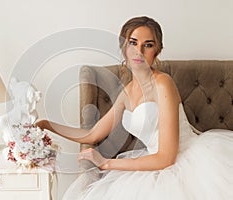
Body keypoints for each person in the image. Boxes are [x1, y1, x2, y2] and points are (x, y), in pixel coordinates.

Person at [35, 16, 233, 200]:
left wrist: (107, 163)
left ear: (157, 51)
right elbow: (93, 135)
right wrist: (47, 124)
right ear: (124, 47)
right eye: (133, 42)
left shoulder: (163, 84)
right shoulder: (127, 92)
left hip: (183, 162)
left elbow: (167, 157)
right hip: (152, 161)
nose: (139, 50)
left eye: (148, 45)